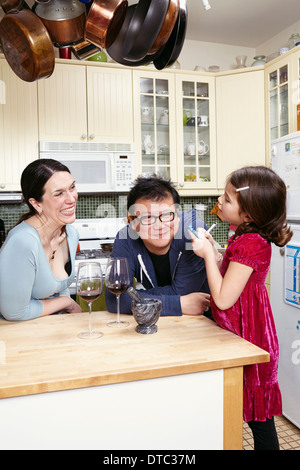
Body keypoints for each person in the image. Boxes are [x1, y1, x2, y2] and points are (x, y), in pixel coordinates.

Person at [189, 165, 292, 450]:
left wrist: (209, 255)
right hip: (242, 333)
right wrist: (217, 250)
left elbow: (223, 299)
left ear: (248, 214)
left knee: (260, 423)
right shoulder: (244, 237)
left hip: (252, 338)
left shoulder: (252, 244)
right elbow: (232, 273)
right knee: (243, 412)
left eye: (227, 198)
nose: (220, 201)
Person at [105, 175, 211, 317]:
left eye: (167, 215)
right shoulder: (126, 238)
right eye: (147, 218)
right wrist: (178, 303)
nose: (159, 226)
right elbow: (115, 299)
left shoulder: (192, 232)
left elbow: (185, 293)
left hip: (206, 320)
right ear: (132, 221)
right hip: (160, 319)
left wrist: (135, 296)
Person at [0, 159, 82, 321]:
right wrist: (67, 302)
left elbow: (59, 286)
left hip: (51, 329)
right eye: (59, 193)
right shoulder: (23, 241)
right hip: (19, 335)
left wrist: (63, 301)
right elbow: (14, 312)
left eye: (72, 187)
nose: (71, 199)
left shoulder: (70, 234)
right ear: (36, 203)